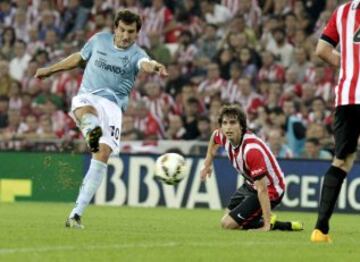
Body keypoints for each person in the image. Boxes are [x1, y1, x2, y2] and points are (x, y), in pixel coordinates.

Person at [34, 9, 168, 229]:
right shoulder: (99, 40)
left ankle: (75, 215)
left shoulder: (136, 53)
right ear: (115, 27)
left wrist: (154, 66)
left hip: (113, 107)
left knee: (102, 154)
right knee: (86, 112)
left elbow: (145, 62)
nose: (126, 36)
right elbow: (79, 57)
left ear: (137, 34)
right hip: (89, 96)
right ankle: (91, 132)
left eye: (131, 32)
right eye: (123, 30)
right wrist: (50, 70)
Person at [200, 104, 303, 232]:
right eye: (225, 123)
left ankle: (270, 222)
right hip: (251, 184)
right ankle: (283, 224)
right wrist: (207, 164)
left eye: (233, 123)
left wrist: (265, 226)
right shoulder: (222, 136)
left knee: (227, 224)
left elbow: (262, 189)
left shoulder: (251, 150)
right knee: (228, 215)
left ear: (241, 126)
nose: (228, 127)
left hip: (271, 189)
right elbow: (214, 139)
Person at [310, 0, 360, 243]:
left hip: (347, 98)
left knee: (341, 161)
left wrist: (349, 65)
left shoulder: (342, 11)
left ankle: (320, 230)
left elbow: (321, 50)